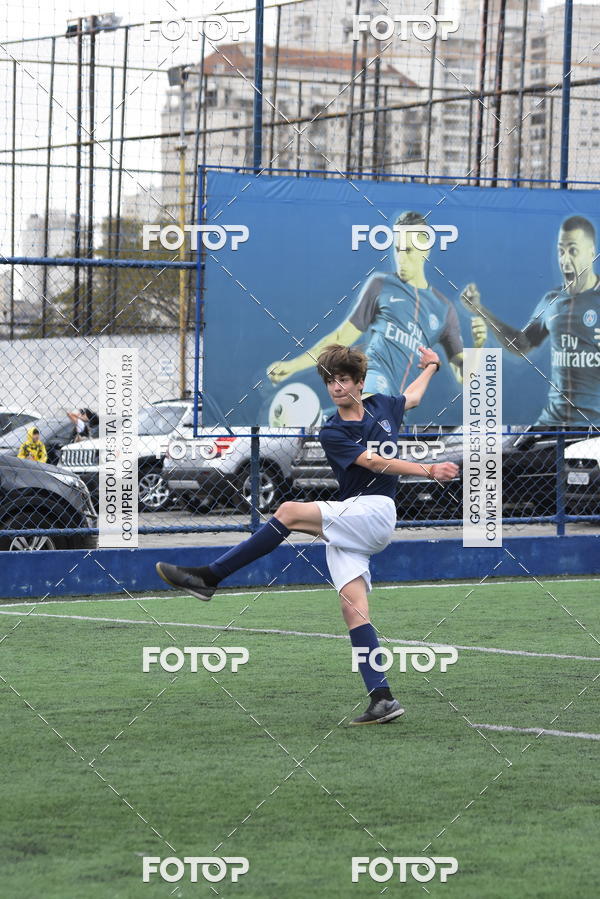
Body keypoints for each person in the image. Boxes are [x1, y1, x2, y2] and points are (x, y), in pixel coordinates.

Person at [156, 343, 458, 725]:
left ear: (360, 382)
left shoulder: (382, 405)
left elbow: (412, 397)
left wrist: (431, 366)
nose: (336, 387)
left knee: (287, 512)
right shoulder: (333, 430)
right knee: (353, 609)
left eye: (343, 379)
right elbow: (372, 461)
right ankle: (382, 698)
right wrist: (428, 468)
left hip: (375, 511)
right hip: (352, 521)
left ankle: (210, 577)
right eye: (330, 381)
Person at [267, 210, 487, 396]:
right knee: (366, 409)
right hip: (372, 383)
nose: (401, 258)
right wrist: (293, 365)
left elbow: (463, 376)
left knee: (352, 426)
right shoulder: (380, 284)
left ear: (425, 249)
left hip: (399, 407)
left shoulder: (444, 309)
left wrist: (478, 346)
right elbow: (340, 338)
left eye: (408, 250)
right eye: (398, 249)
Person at [461, 215, 600, 426]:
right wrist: (480, 310)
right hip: (552, 422)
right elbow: (521, 345)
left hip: (593, 425)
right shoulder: (551, 301)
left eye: (573, 251)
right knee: (517, 448)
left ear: (591, 253)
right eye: (561, 251)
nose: (565, 260)